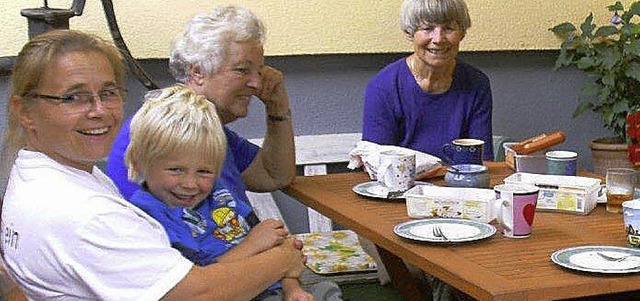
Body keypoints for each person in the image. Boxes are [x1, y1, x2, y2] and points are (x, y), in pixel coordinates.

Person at [0, 29, 305, 301]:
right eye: (72, 98)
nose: (99, 111)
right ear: (24, 112)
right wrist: (281, 260)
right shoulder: (83, 214)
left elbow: (273, 174)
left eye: (108, 93)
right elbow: (197, 293)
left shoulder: (45, 172)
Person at [124, 85, 341, 301]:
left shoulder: (220, 195)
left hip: (270, 289)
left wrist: (292, 289)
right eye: (176, 170)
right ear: (139, 163)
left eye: (204, 171)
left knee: (327, 291)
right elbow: (196, 285)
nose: (190, 184)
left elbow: (277, 246)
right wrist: (252, 245)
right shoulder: (148, 217)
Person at [106, 5, 295, 208]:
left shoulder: (207, 127)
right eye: (242, 70)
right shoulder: (168, 131)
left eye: (259, 71)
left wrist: (277, 109)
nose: (256, 83)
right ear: (198, 72)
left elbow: (272, 176)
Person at [361, 0, 493, 164]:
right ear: (410, 33)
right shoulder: (383, 86)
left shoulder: (477, 84)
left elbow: (482, 161)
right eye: (427, 28)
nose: (438, 39)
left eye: (449, 28)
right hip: (402, 186)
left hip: (460, 186)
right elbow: (377, 162)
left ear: (462, 33)